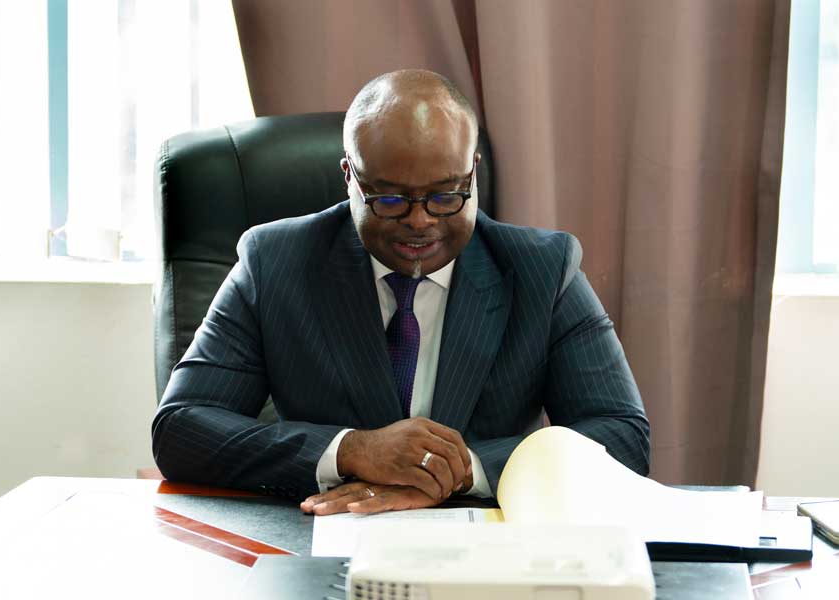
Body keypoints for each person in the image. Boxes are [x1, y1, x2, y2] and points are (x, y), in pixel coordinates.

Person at [151, 69, 650, 516]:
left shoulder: (543, 269)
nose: (420, 221)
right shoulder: (275, 261)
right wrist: (351, 451)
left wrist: (457, 471)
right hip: (325, 530)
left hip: (481, 540)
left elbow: (622, 436)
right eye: (389, 199)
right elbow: (181, 428)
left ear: (472, 172)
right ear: (349, 177)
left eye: (446, 195)